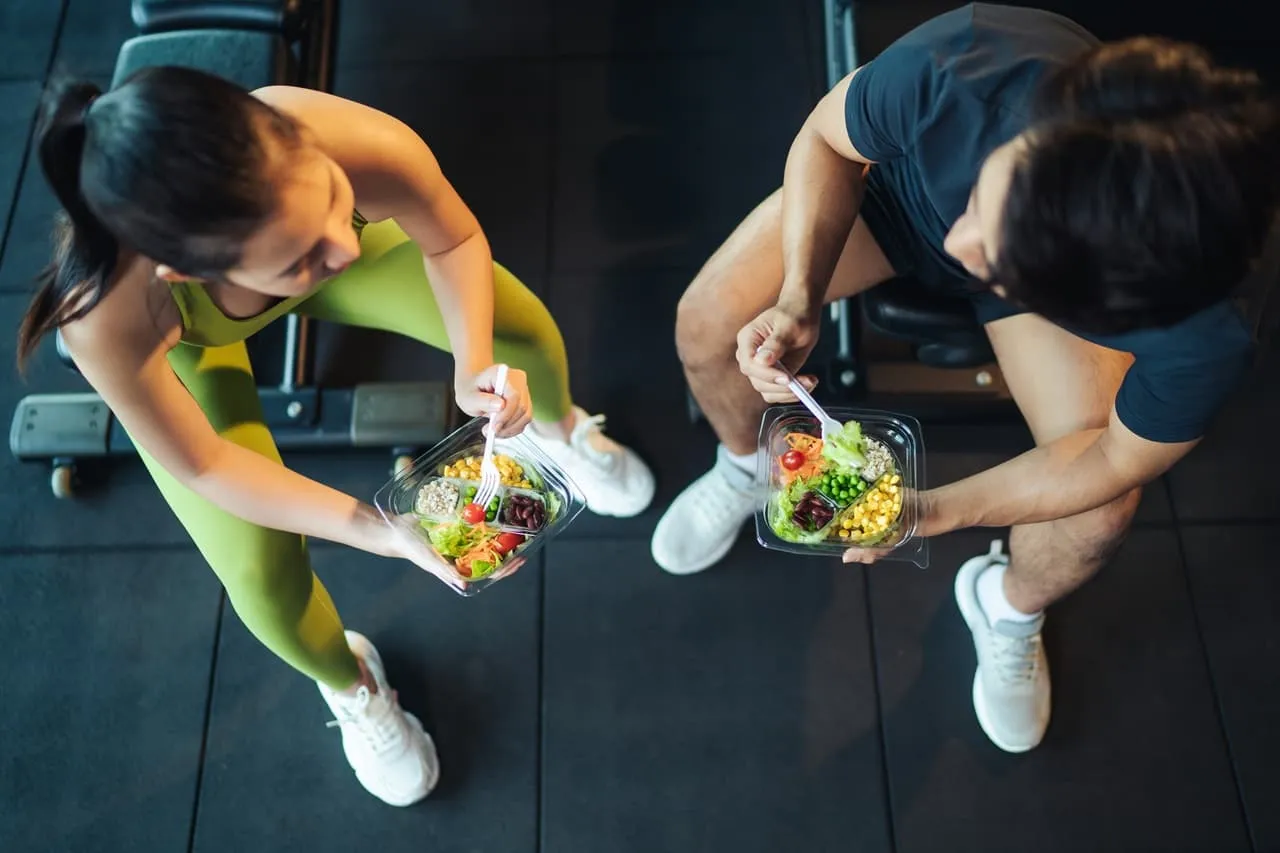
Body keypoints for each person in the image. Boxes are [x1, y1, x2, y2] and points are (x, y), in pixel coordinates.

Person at [17, 66, 655, 806]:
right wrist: (380, 528)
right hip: (195, 343)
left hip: (282, 253)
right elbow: (207, 462)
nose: (340, 247)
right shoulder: (106, 313)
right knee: (259, 575)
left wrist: (472, 363)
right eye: (299, 256)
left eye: (331, 200)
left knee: (524, 329)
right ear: (184, 268)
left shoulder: (356, 147)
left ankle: (562, 428)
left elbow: (452, 240)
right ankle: (352, 683)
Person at [654, 3, 1277, 753]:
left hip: (1044, 300)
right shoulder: (969, 63)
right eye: (989, 196)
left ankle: (1005, 603)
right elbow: (826, 138)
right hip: (896, 194)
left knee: (1101, 514)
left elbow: (1115, 455)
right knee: (707, 319)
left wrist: (934, 511)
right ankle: (748, 462)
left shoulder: (1205, 328)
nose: (961, 242)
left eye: (1000, 251)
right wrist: (799, 294)